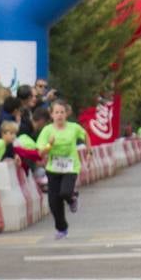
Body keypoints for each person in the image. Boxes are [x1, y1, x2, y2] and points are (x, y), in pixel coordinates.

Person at [37, 98, 89, 238]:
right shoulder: (47, 131)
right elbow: (41, 152)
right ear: (52, 115)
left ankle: (72, 199)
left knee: (65, 192)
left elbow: (85, 136)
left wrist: (89, 152)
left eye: (62, 112)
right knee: (54, 203)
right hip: (53, 169)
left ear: (67, 114)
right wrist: (49, 145)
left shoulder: (74, 127)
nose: (59, 115)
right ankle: (62, 228)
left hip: (70, 167)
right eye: (56, 112)